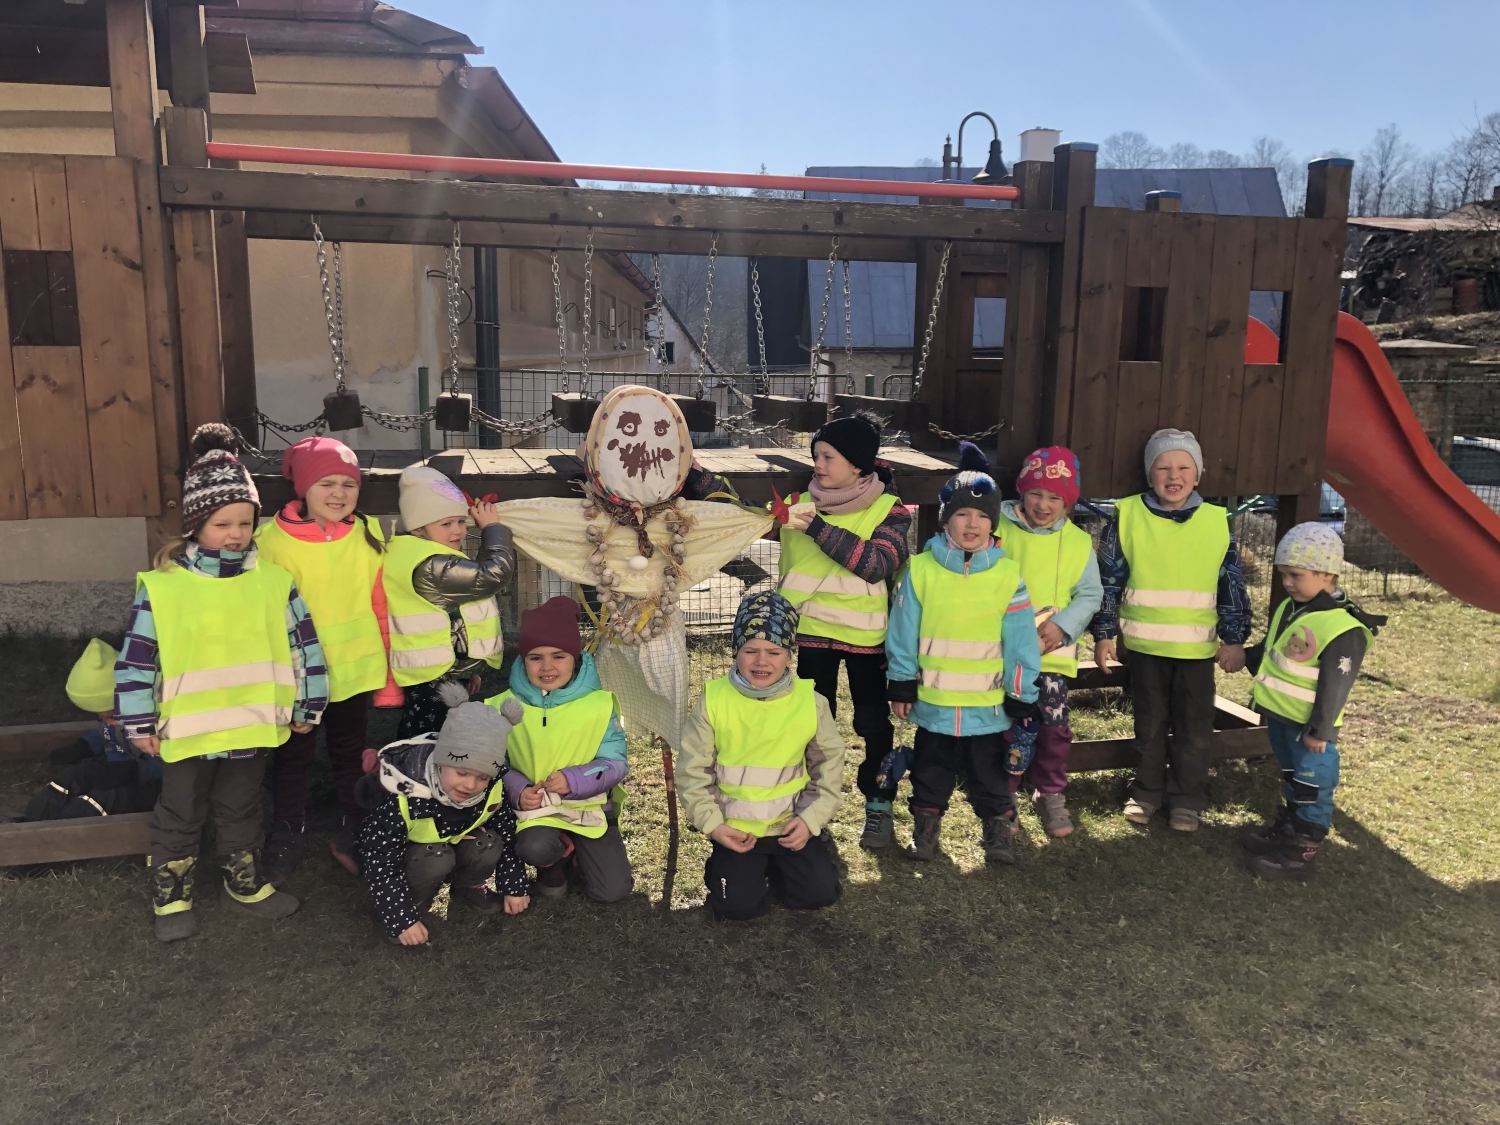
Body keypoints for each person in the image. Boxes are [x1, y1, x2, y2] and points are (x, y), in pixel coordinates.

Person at [115, 425, 325, 942]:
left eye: (245, 522)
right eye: (221, 523)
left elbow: (304, 648)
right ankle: (172, 894)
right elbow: (137, 660)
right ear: (195, 525)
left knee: (241, 806)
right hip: (186, 730)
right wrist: (139, 722)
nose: (235, 534)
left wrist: (307, 705)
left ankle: (244, 882)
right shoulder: (163, 588)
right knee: (180, 809)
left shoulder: (274, 582)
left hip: (252, 724)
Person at [886, 442, 1043, 865]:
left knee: (988, 773)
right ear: (945, 519)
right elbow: (902, 633)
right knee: (930, 769)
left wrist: (1022, 693)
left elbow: (1021, 643)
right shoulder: (921, 570)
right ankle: (925, 828)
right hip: (933, 702)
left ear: (993, 523)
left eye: (982, 516)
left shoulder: (1008, 577)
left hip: (987, 707)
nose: (972, 524)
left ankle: (997, 829)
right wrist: (901, 683)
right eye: (962, 514)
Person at [1092, 429, 1251, 832]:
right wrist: (1104, 632)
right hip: (1144, 649)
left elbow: (1231, 585)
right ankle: (1145, 792)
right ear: (1150, 475)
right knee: (1148, 725)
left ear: (1198, 476)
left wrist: (1234, 638)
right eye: (1163, 467)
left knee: (1194, 729)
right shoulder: (1126, 516)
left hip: (1197, 653)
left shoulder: (1216, 522)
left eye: (1184, 467)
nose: (1173, 475)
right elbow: (1108, 580)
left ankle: (1186, 798)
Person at [254, 434, 388, 881]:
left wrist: (388, 672)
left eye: (348, 484)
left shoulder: (368, 533)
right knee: (293, 756)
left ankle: (357, 829)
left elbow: (379, 601)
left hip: (355, 671)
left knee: (350, 753)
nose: (338, 494)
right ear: (304, 489)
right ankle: (287, 830)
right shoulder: (269, 542)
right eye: (326, 483)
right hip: (297, 677)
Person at [775, 412, 911, 852]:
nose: (818, 464)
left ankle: (879, 805)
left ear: (857, 464)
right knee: (813, 727)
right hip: (810, 635)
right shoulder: (797, 501)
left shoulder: (890, 511)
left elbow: (877, 564)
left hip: (866, 641)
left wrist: (816, 527)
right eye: (815, 455)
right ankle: (811, 812)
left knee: (873, 724)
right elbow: (745, 516)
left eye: (828, 457)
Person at [678, 591, 845, 921]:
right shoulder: (713, 701)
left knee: (818, 895)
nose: (761, 661)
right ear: (735, 651)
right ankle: (726, 868)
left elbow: (828, 768)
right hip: (736, 831)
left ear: (789, 655)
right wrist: (714, 826)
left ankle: (783, 866)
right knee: (737, 908)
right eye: (750, 650)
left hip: (790, 826)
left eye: (774, 651)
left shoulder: (811, 702)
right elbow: (692, 771)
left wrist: (810, 820)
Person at [1240, 524, 1384, 881]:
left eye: (1296, 575)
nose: (1288, 583)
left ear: (1327, 574)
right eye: (1284, 574)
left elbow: (1337, 685)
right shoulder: (1293, 608)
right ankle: (1288, 829)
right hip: (1282, 719)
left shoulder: (1342, 627)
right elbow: (1274, 650)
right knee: (1293, 779)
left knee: (1313, 786)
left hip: (1310, 731)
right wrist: (1243, 657)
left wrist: (1321, 730)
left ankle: (1302, 852)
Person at [489, 596, 634, 903]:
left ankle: (576, 850)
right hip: (536, 812)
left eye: (558, 656)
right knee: (535, 847)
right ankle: (552, 863)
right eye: (535, 657)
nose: (547, 667)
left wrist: (575, 780)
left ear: (575, 657)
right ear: (523, 660)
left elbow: (616, 763)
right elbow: (493, 764)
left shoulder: (599, 704)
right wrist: (518, 789)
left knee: (612, 891)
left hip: (588, 810)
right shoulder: (501, 706)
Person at [992, 446, 1102, 839]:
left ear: (1068, 501)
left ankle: (1050, 791)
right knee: (1006, 725)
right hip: (1002, 654)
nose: (1043, 504)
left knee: (1054, 729)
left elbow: (1090, 594)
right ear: (1022, 491)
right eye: (1036, 493)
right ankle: (1003, 795)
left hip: (1051, 657)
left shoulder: (1078, 542)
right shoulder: (996, 527)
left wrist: (1062, 626)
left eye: (1055, 497)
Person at [358, 701, 531, 947]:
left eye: (482, 777)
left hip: (450, 844)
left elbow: (507, 834)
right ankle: (413, 902)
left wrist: (514, 886)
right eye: (461, 772)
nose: (470, 785)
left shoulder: (493, 787)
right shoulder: (401, 793)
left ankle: (466, 886)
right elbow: (381, 860)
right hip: (412, 858)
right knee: (437, 857)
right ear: (440, 761)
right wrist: (401, 919)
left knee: (489, 843)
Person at [382, 465, 513, 739]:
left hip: (439, 670)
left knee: (435, 737)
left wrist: (468, 671)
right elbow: (493, 575)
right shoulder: (432, 565)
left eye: (461, 521)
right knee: (434, 742)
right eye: (446, 524)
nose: (458, 531)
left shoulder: (417, 552)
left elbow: (458, 611)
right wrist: (493, 529)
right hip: (436, 676)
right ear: (418, 528)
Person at [17, 639, 161, 822]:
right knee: (71, 779)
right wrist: (84, 745)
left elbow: (173, 764)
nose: (106, 721)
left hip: (152, 785)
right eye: (100, 716)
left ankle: (59, 832)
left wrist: (134, 770)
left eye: (110, 715)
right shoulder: (115, 718)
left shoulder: (158, 720)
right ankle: (32, 822)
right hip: (114, 767)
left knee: (95, 802)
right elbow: (105, 734)